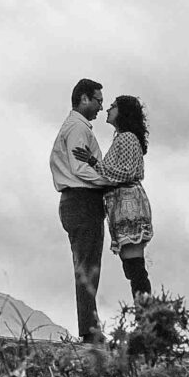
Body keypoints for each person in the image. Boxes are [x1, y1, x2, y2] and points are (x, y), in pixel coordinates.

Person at [48, 78, 111, 342]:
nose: (100, 107)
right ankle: (90, 330)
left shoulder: (75, 126)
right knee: (88, 267)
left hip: (78, 201)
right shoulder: (77, 128)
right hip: (82, 200)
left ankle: (90, 327)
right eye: (98, 100)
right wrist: (109, 181)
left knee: (87, 265)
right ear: (84, 98)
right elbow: (80, 168)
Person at [91, 96, 154, 297]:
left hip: (128, 204)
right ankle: (144, 309)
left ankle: (146, 311)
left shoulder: (126, 137)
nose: (108, 109)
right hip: (123, 204)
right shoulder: (124, 138)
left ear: (123, 112)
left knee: (134, 265)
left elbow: (126, 172)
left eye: (113, 106)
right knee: (132, 265)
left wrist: (94, 164)